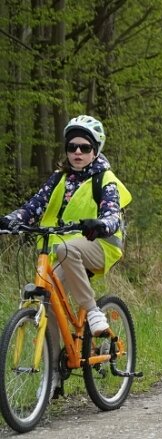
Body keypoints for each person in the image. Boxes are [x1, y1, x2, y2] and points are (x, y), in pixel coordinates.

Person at [0, 115, 132, 395]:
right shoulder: (59, 179)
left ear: (96, 149)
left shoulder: (105, 180)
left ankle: (94, 313)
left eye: (85, 147)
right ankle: (54, 378)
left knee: (67, 249)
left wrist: (100, 224)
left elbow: (112, 215)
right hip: (62, 250)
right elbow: (33, 207)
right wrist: (11, 219)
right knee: (44, 296)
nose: (77, 153)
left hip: (100, 247)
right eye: (72, 147)